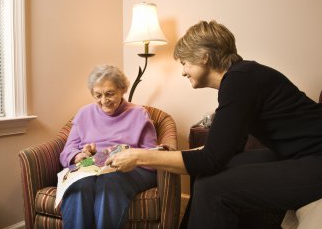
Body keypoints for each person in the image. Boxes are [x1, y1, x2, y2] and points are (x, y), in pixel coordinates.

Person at [106, 20, 322, 229]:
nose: (183, 71)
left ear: (204, 57)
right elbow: (227, 149)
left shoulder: (240, 81)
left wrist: (138, 156)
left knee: (212, 189)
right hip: (298, 154)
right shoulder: (243, 76)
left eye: (185, 63)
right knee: (208, 177)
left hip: (315, 159)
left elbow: (211, 159)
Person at [59, 64, 158, 229]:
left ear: (122, 90)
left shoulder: (139, 114)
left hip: (130, 169)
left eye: (110, 94)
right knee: (79, 184)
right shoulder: (84, 113)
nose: (104, 101)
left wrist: (127, 157)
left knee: (109, 181)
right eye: (98, 95)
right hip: (91, 168)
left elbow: (152, 156)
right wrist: (79, 156)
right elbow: (66, 151)